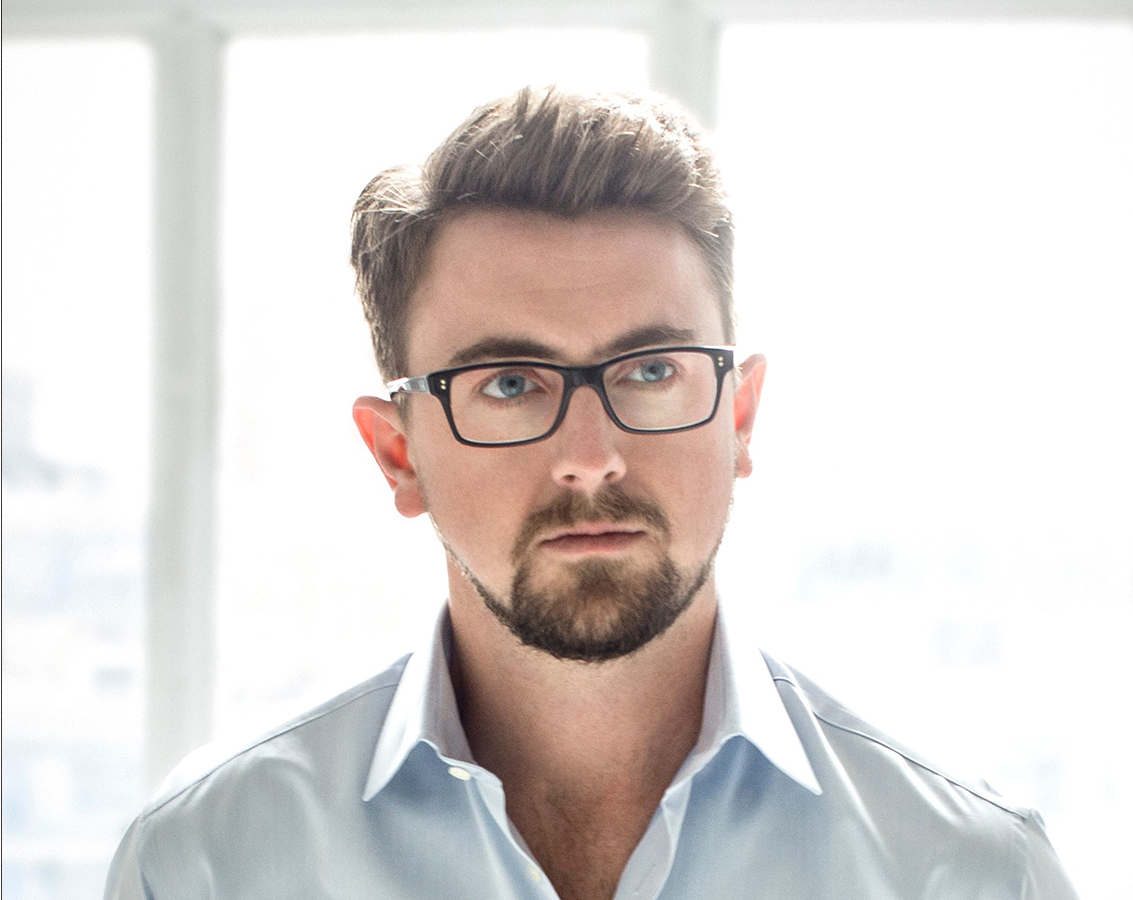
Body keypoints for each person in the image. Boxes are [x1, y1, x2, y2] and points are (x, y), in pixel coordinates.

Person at [105, 85, 1078, 900]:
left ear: (738, 418)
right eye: (509, 385)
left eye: (651, 372)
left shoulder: (964, 871)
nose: (590, 457)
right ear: (397, 455)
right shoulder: (206, 865)